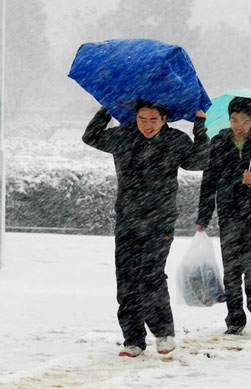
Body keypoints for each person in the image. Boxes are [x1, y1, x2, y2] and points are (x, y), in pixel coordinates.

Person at [82, 100, 209, 357]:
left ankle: (163, 333)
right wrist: (108, 107)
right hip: (127, 220)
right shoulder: (123, 136)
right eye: (142, 119)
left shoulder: (175, 140)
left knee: (150, 275)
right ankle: (133, 340)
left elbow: (200, 160)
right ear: (135, 117)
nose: (147, 125)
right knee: (127, 280)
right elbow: (91, 137)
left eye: (153, 120)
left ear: (164, 119)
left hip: (160, 221)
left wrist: (199, 126)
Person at [196, 97, 251, 335]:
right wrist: (203, 216)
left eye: (245, 121)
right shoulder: (218, 143)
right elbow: (209, 181)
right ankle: (235, 318)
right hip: (229, 213)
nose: (239, 125)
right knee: (232, 268)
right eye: (234, 119)